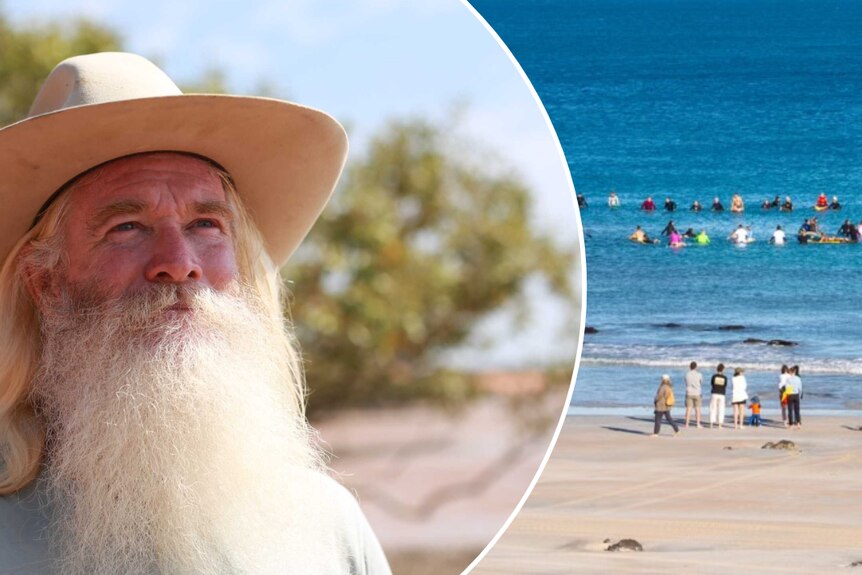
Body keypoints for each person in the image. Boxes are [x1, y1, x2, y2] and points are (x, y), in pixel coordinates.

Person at [0, 53, 391, 574]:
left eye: (206, 224)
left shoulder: (328, 523)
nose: (178, 265)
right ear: (45, 283)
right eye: (127, 228)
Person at [684, 361, 703, 428]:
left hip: (689, 392)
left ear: (690, 367)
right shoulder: (699, 374)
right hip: (697, 392)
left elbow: (686, 382)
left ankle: (686, 424)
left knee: (688, 409)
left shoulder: (687, 374)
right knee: (697, 409)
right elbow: (701, 382)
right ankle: (698, 424)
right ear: (696, 367)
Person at [709, 364, 728, 429]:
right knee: (721, 409)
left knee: (713, 408)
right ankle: (720, 425)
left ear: (717, 369)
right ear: (723, 370)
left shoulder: (714, 376)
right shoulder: (724, 377)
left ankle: (711, 424)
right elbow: (725, 385)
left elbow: (711, 384)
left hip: (714, 393)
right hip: (722, 394)